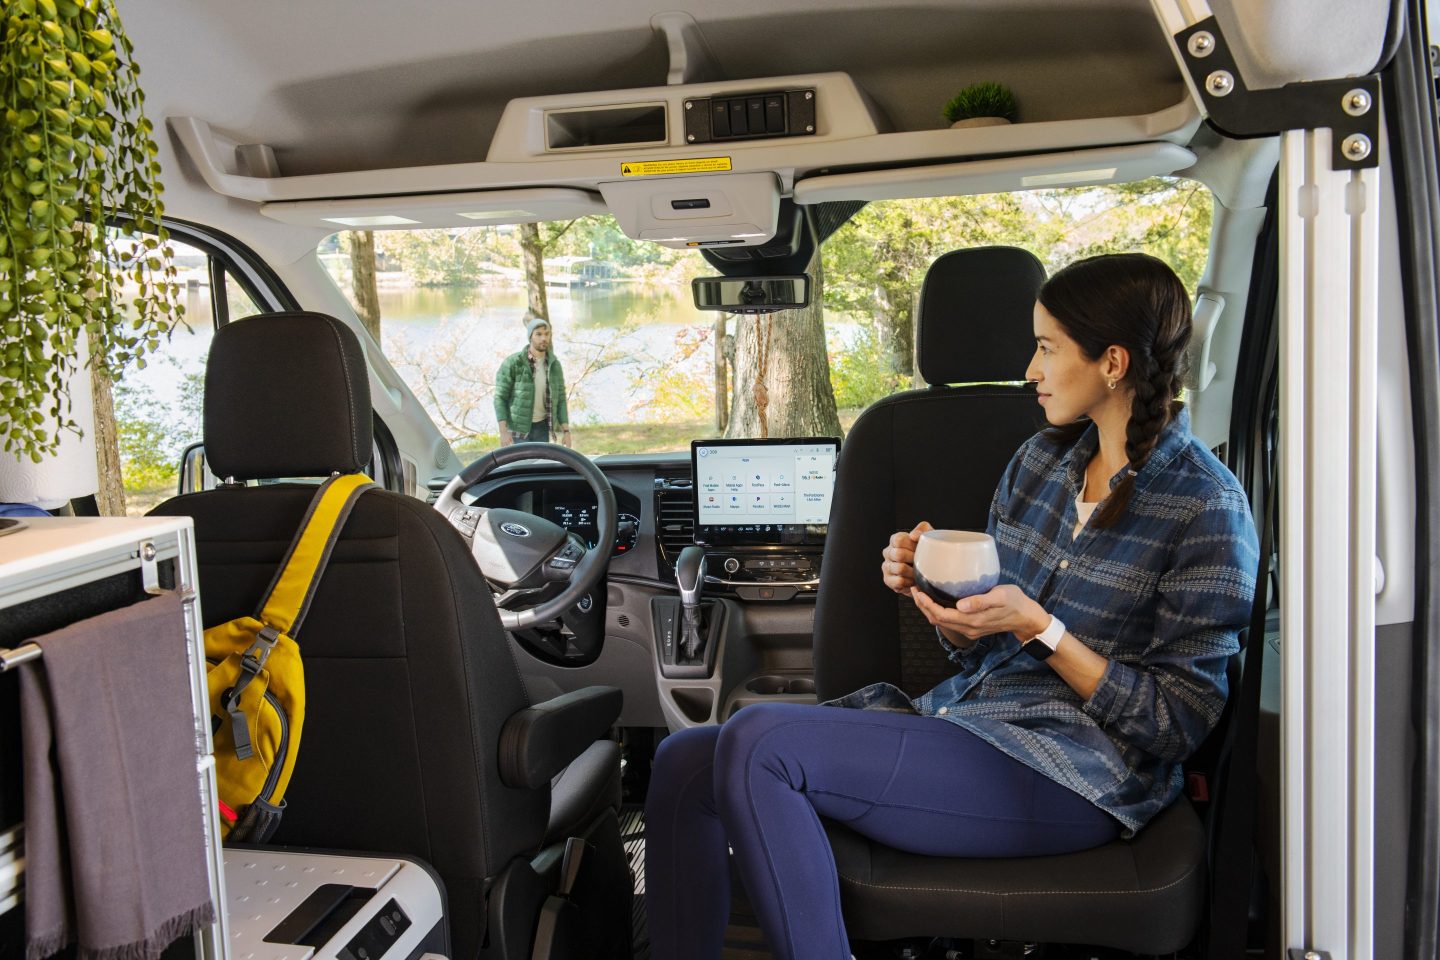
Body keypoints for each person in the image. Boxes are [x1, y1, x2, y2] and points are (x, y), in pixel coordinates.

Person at [643, 253, 1259, 960]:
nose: (1029, 369)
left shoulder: (1205, 505)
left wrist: (1041, 626)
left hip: (1078, 775)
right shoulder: (1039, 466)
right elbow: (990, 643)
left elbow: (1178, 723)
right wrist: (937, 593)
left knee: (759, 742)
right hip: (972, 726)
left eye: (1046, 349)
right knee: (684, 759)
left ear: (1112, 362)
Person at [493, 314, 571, 446]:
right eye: (538, 334)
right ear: (530, 337)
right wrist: (503, 431)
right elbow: (500, 398)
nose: (544, 338)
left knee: (539, 466)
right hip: (518, 430)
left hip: (542, 428)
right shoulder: (513, 363)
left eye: (547, 334)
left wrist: (566, 432)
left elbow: (562, 399)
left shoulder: (554, 365)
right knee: (520, 466)